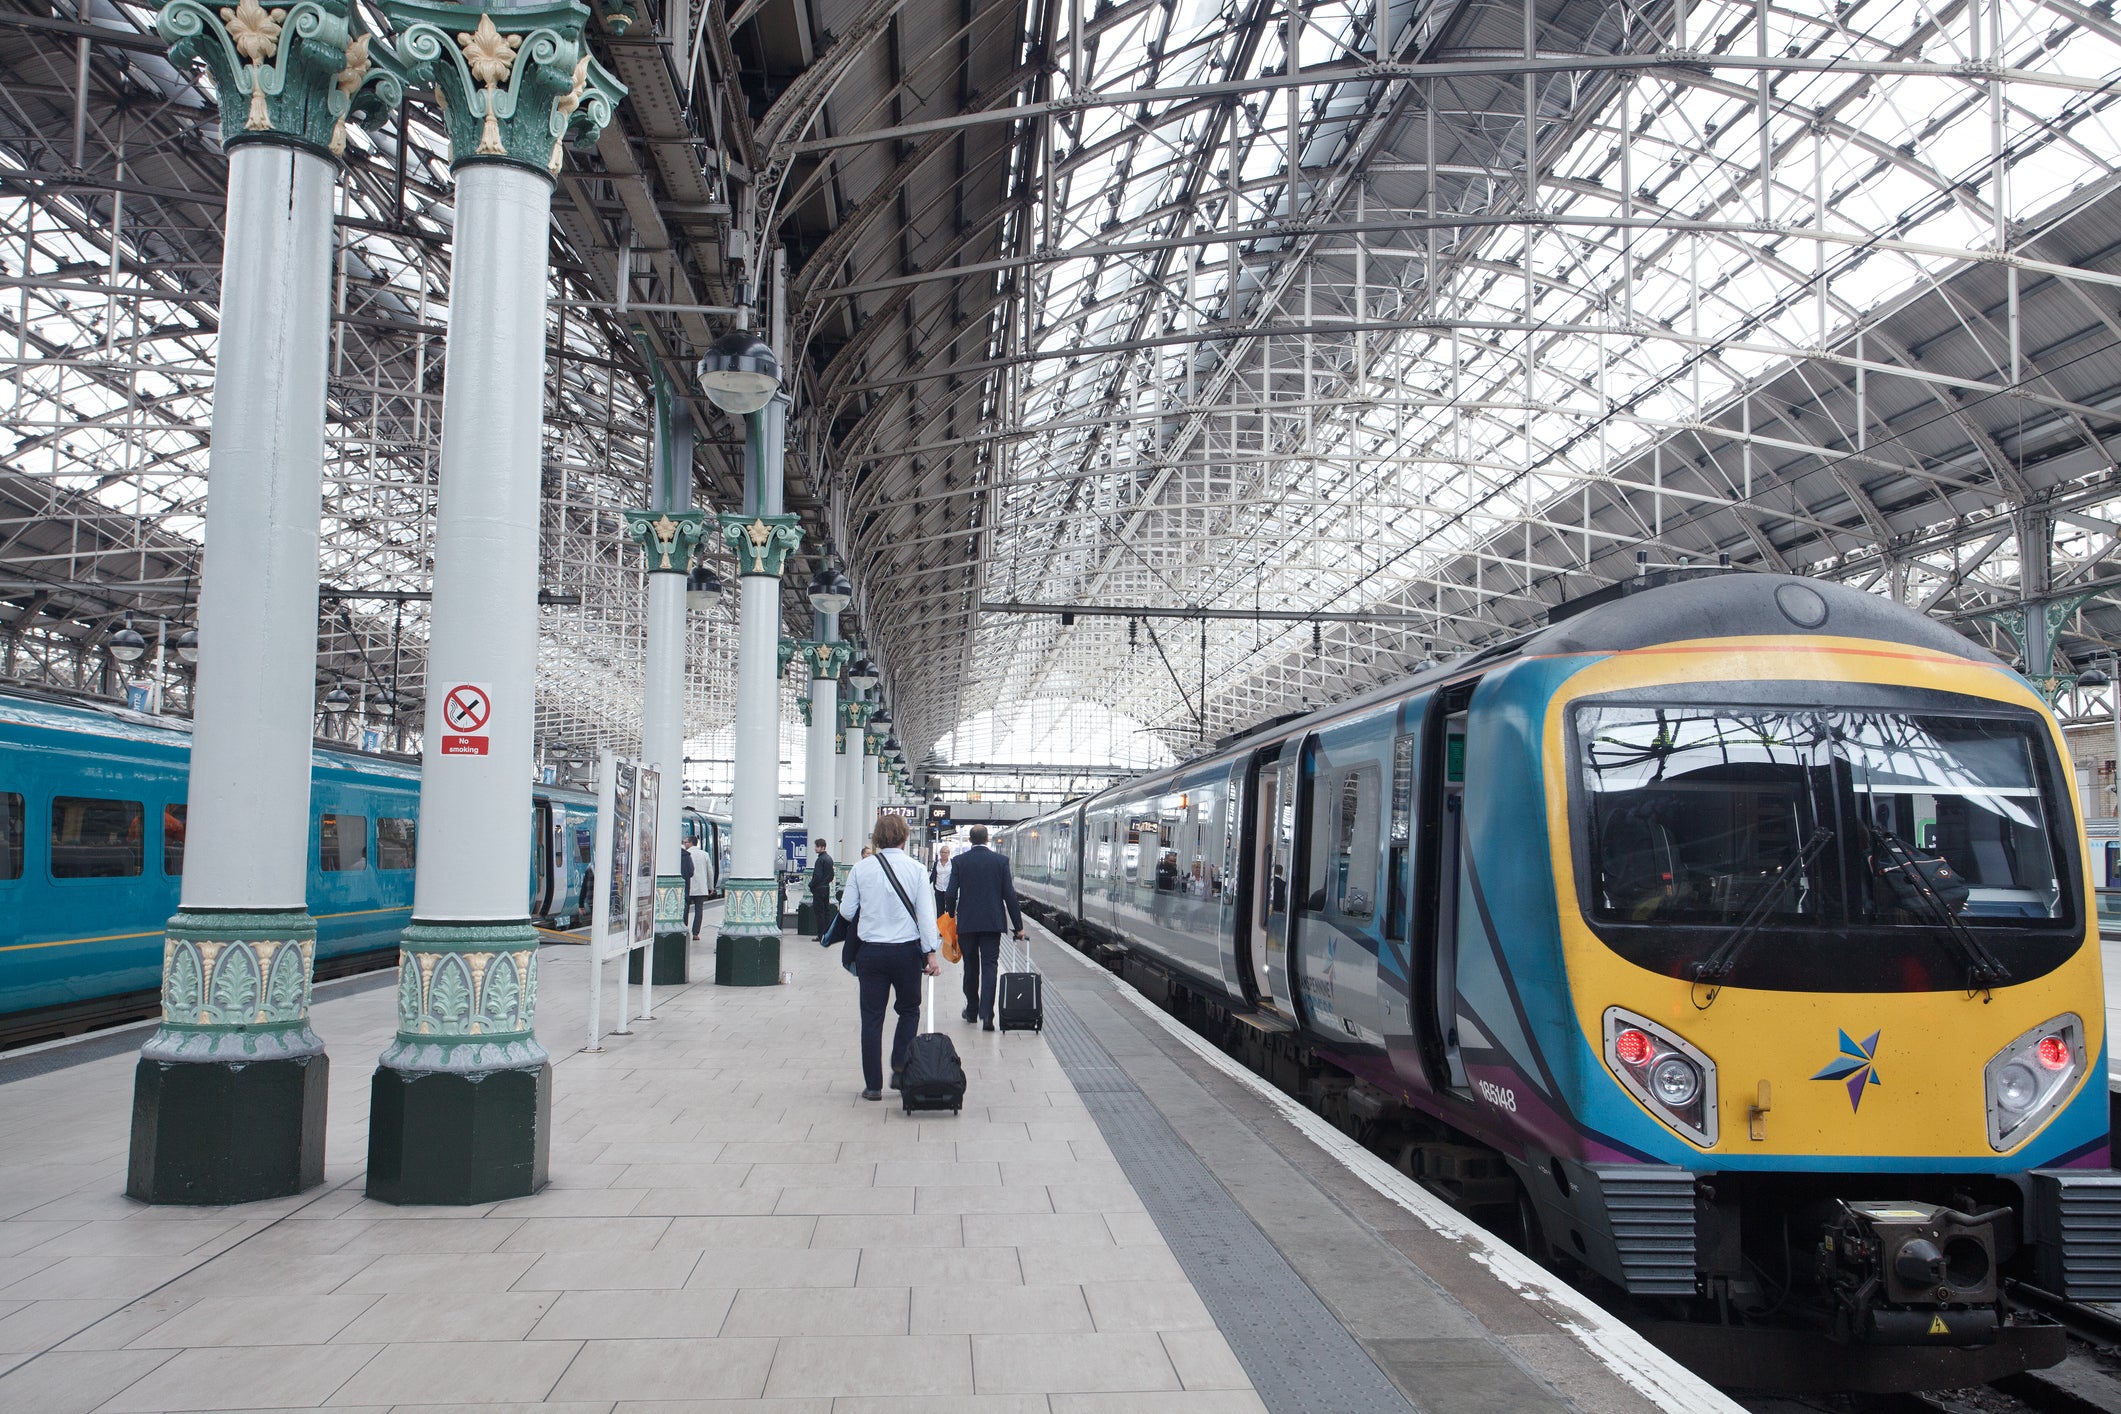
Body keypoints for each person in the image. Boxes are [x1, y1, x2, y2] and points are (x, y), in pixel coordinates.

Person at [836, 814, 941, 1101]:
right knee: (909, 1010)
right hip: (906, 953)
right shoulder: (917, 870)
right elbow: (926, 916)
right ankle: (899, 1066)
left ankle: (873, 1086)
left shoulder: (861, 869)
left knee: (872, 1018)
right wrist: (931, 953)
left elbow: (846, 912)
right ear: (905, 837)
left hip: (871, 953)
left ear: (877, 839)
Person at [946, 823, 1025, 1031]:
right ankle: (987, 1015)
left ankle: (972, 1010)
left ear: (970, 840)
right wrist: (1018, 927)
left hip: (967, 924)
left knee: (970, 967)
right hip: (992, 923)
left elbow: (951, 893)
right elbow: (1010, 896)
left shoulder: (959, 861)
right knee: (990, 967)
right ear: (987, 839)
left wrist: (951, 914)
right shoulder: (1000, 861)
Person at [683, 836, 714, 939]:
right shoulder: (704, 854)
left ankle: (684, 930)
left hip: (687, 887)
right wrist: (711, 887)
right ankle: (695, 933)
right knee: (699, 911)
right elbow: (710, 872)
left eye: (686, 842)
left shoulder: (685, 854)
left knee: (685, 909)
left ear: (691, 843)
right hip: (701, 888)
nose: (684, 844)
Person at [810, 842, 835, 939]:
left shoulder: (820, 860)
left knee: (819, 913)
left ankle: (820, 935)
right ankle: (827, 933)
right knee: (826, 911)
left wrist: (811, 885)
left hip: (819, 889)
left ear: (823, 847)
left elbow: (817, 875)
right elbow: (831, 875)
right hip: (826, 888)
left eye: (817, 846)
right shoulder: (829, 859)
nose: (815, 848)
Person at [931, 844, 954, 917]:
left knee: (949, 911)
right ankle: (940, 924)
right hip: (939, 889)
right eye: (942, 852)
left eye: (945, 852)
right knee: (940, 911)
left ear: (949, 853)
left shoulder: (952, 863)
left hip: (949, 890)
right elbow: (933, 875)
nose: (943, 854)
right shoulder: (936, 863)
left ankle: (948, 924)